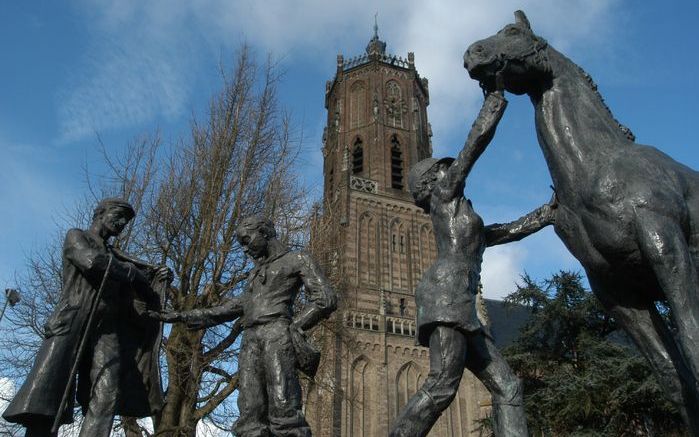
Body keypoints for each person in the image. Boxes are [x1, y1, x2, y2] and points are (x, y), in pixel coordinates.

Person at [388, 91, 556, 437]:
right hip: (445, 298)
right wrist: (493, 103)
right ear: (433, 180)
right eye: (444, 168)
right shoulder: (443, 195)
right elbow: (473, 147)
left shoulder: (464, 216)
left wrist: (546, 214)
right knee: (441, 386)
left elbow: (504, 232)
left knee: (508, 387)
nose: (451, 169)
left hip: (464, 308)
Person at [150, 215, 337, 437]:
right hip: (250, 340)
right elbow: (225, 310)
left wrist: (294, 326)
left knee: (283, 404)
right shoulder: (254, 275)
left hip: (277, 334)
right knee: (250, 409)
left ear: (264, 233)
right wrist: (179, 316)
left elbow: (325, 298)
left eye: (247, 241)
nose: (245, 250)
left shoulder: (297, 259)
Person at [3, 198, 171, 437]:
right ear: (101, 213)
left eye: (127, 220)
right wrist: (134, 272)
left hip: (107, 329)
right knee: (49, 394)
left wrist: (156, 278)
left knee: (108, 391)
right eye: (119, 215)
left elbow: (131, 296)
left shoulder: (118, 256)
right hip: (72, 320)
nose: (122, 223)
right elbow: (93, 262)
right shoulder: (76, 236)